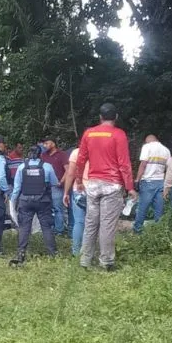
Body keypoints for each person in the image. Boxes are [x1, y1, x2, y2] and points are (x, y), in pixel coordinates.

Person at [72, 103, 137, 271]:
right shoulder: (119, 135)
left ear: (100, 117)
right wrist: (130, 187)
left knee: (91, 223)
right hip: (112, 186)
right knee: (107, 225)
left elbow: (80, 159)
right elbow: (124, 164)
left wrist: (79, 180)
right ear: (115, 117)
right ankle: (106, 262)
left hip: (92, 185)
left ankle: (85, 260)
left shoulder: (89, 133)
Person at [9, 146, 58, 264]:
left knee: (24, 228)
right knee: (46, 227)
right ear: (40, 154)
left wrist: (12, 202)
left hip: (25, 201)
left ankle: (21, 253)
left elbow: (16, 188)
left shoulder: (21, 167)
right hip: (43, 201)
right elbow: (54, 183)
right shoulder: (47, 167)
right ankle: (53, 254)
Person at [133, 135, 171, 233]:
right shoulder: (166, 150)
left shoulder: (147, 147)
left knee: (142, 208)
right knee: (159, 209)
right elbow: (169, 168)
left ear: (148, 141)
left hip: (148, 182)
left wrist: (137, 179)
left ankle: (137, 231)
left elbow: (143, 164)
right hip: (161, 182)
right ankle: (159, 231)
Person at [63, 147, 89, 256]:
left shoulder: (76, 152)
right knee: (94, 223)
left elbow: (70, 173)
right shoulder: (102, 150)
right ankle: (90, 252)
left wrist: (65, 193)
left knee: (79, 222)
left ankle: (76, 252)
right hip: (97, 190)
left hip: (79, 190)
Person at [41, 137, 69, 236]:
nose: (45, 146)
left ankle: (59, 230)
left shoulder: (61, 155)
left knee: (58, 209)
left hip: (57, 186)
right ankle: (50, 229)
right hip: (46, 187)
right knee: (47, 209)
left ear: (53, 144)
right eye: (44, 144)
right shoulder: (43, 156)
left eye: (46, 143)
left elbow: (68, 170)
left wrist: (61, 181)